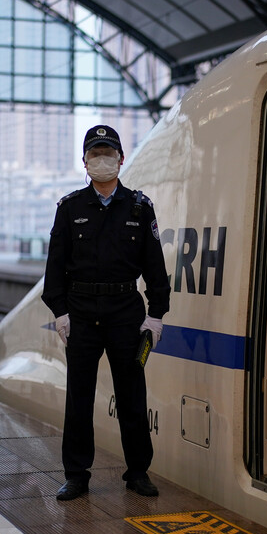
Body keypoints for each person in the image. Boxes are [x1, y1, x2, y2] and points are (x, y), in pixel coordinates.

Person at [42, 124, 170, 501]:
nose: (102, 160)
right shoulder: (70, 208)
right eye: (95, 154)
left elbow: (155, 268)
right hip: (81, 313)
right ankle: (77, 475)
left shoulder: (140, 207)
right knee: (78, 397)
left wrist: (156, 314)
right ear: (84, 160)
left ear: (121, 159)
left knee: (132, 394)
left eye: (108, 153)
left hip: (125, 313)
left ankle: (138, 472)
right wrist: (60, 311)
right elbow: (55, 267)